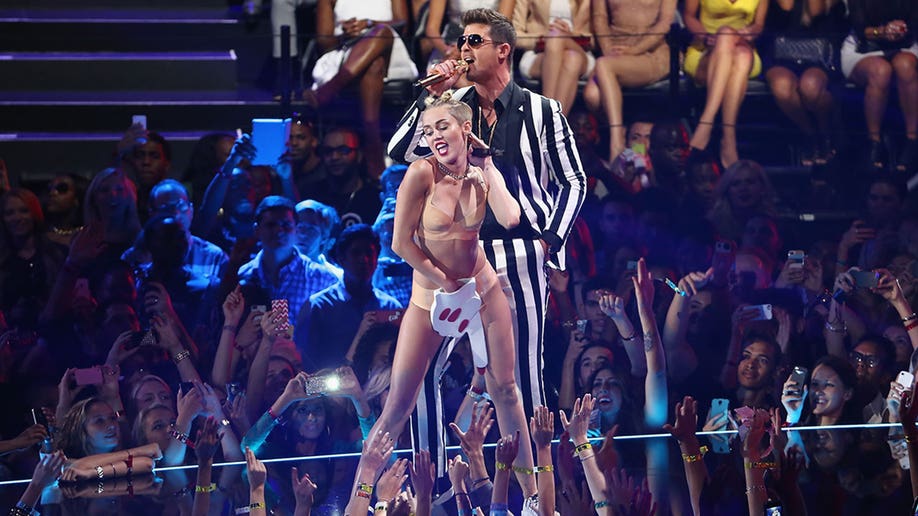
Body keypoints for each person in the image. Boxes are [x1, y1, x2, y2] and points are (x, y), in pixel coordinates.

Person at [387, 7, 586, 478]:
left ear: (503, 50)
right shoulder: (449, 109)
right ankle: (430, 485)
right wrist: (427, 99)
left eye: (475, 41)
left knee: (519, 379)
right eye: (461, 42)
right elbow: (399, 151)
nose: (464, 50)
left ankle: (538, 491)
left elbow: (574, 182)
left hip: (519, 251)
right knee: (422, 374)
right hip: (452, 258)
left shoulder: (543, 110)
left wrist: (548, 245)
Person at [369, 92, 540, 499]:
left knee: (506, 389)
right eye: (427, 131)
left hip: (482, 285)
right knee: (399, 405)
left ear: (466, 128)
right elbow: (400, 243)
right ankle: (366, 496)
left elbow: (510, 217)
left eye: (442, 126)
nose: (434, 136)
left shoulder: (481, 172)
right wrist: (442, 279)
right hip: (433, 295)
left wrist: (489, 166)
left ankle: (535, 497)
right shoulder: (420, 173)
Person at [303, 0, 419, 178]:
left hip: (391, 50)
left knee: (381, 32)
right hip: (348, 51)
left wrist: (370, 25)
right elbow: (324, 42)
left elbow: (402, 24)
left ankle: (328, 90)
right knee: (374, 64)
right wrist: (345, 35)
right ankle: (373, 142)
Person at [299, 223, 402, 371]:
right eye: (356, 253)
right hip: (329, 390)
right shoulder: (319, 306)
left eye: (369, 253)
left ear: (377, 258)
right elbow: (306, 365)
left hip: (379, 389)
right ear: (341, 259)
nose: (364, 259)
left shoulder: (391, 307)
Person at [583, 0, 677, 159]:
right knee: (592, 95)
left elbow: (665, 23)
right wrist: (607, 49)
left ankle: (616, 143)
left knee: (604, 66)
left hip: (651, 50)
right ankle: (625, 134)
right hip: (616, 49)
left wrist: (635, 50)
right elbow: (600, 17)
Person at [683, 0, 768, 167]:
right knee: (727, 37)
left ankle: (706, 123)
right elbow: (688, 16)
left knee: (738, 49)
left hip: (744, 46)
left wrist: (751, 32)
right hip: (706, 51)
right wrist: (705, 36)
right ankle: (728, 140)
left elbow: (759, 25)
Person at [763, 0, 847, 166]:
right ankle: (811, 136)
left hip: (818, 56)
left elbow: (816, 10)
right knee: (781, 87)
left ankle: (826, 134)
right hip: (782, 54)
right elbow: (785, 7)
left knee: (810, 88)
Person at [237, 196, 339, 330]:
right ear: (257, 230)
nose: (279, 231)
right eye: (271, 225)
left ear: (295, 229)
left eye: (286, 225)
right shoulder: (243, 275)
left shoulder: (323, 280)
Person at [842, 0, 918, 172]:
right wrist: (882, 32)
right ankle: (874, 144)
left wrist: (901, 29)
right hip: (864, 48)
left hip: (906, 45)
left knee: (905, 65)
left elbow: (914, 24)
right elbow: (861, 30)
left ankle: (912, 141)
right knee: (880, 71)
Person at [512, 0, 594, 115]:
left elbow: (597, 38)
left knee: (557, 38)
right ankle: (556, 125)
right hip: (537, 52)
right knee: (572, 59)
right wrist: (542, 39)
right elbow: (515, 35)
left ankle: (545, 115)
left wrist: (570, 35)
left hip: (579, 49)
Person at [43, 173, 88, 247]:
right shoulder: (40, 234)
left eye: (62, 189)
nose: (52, 193)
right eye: (50, 189)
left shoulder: (91, 236)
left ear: (77, 197)